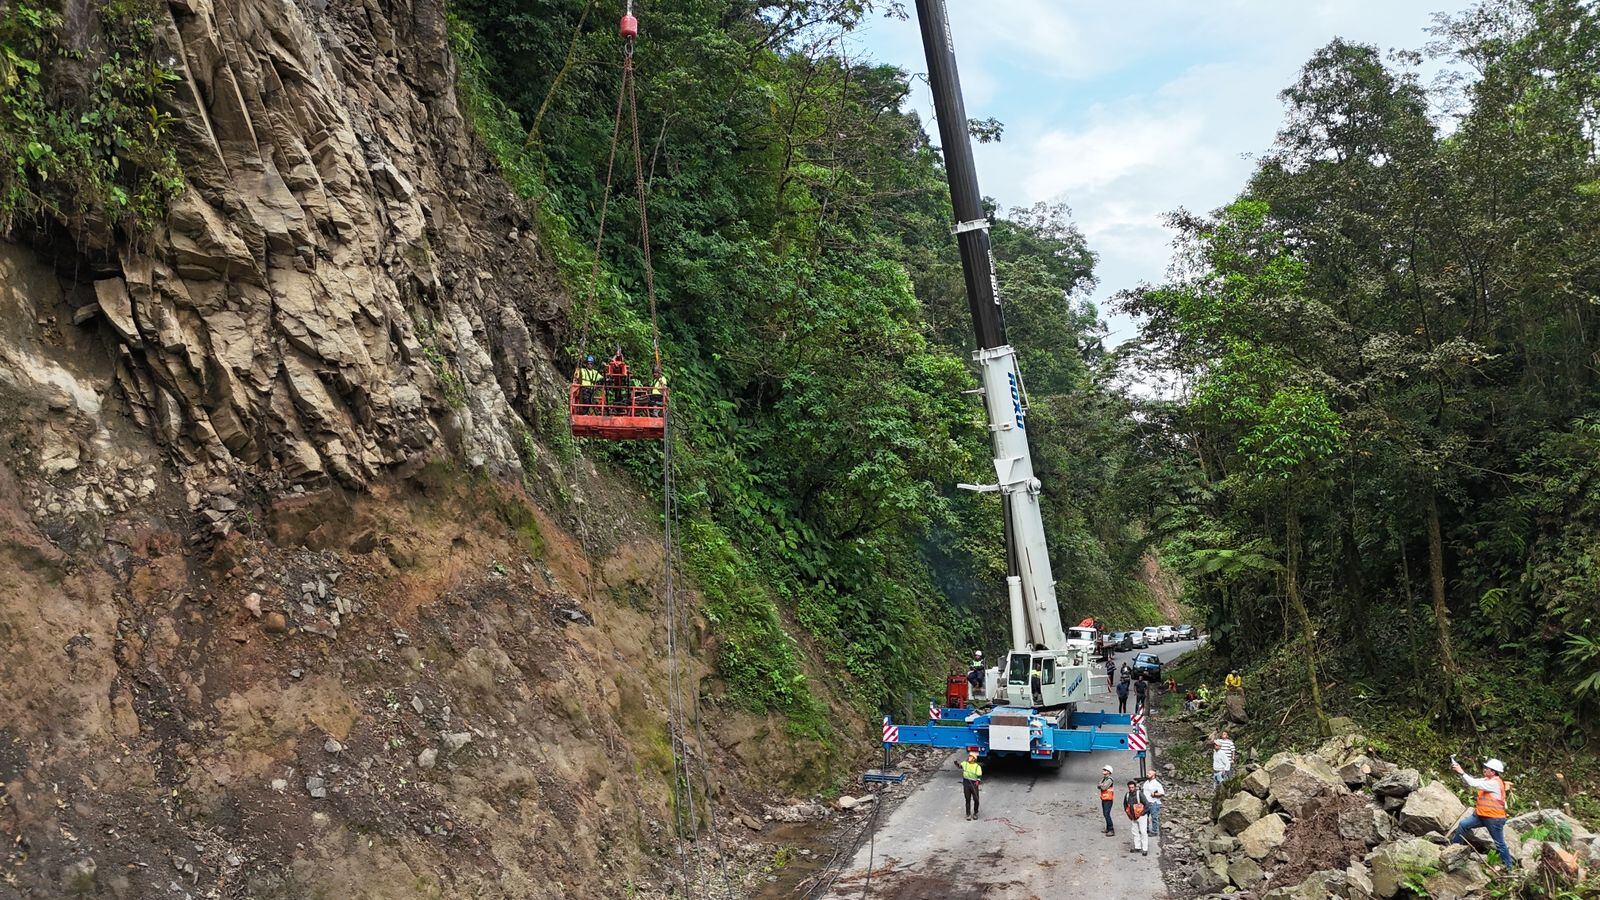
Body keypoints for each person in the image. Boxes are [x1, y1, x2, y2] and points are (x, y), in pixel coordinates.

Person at [1448, 757, 1515, 869]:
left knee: (1499, 843)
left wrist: (1461, 771)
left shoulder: (1494, 783)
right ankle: (1453, 849)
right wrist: (1461, 773)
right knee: (1463, 825)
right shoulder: (1486, 780)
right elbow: (1473, 781)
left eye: (1487, 768)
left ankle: (1509, 867)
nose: (1484, 769)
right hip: (1481, 815)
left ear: (1493, 772)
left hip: (1494, 819)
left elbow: (1473, 783)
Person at [1124, 780, 1149, 856]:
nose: (1131, 788)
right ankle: (1137, 847)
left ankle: (1145, 849)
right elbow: (1125, 805)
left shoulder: (1139, 794)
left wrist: (1141, 814)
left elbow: (1147, 804)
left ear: (1135, 787)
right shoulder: (1127, 795)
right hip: (1133, 817)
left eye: (1132, 787)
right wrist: (1129, 815)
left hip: (1141, 816)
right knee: (1135, 832)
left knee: (1143, 832)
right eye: (1130, 787)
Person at [957, 750, 983, 821]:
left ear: (974, 759)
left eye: (971, 757)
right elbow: (960, 766)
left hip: (974, 783)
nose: (969, 758)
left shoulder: (977, 767)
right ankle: (968, 814)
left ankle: (975, 813)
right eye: (969, 756)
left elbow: (979, 775)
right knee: (967, 799)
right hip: (966, 782)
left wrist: (978, 781)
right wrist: (957, 764)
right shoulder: (965, 763)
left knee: (976, 799)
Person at [1098, 765, 1117, 836]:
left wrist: (1101, 785)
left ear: (1109, 772)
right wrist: (1101, 785)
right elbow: (1099, 785)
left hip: (1108, 799)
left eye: (1105, 770)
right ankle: (1108, 828)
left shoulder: (1109, 780)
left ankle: (1111, 830)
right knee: (1105, 814)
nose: (1103, 771)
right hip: (1104, 798)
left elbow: (1103, 787)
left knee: (1107, 814)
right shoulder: (1104, 779)